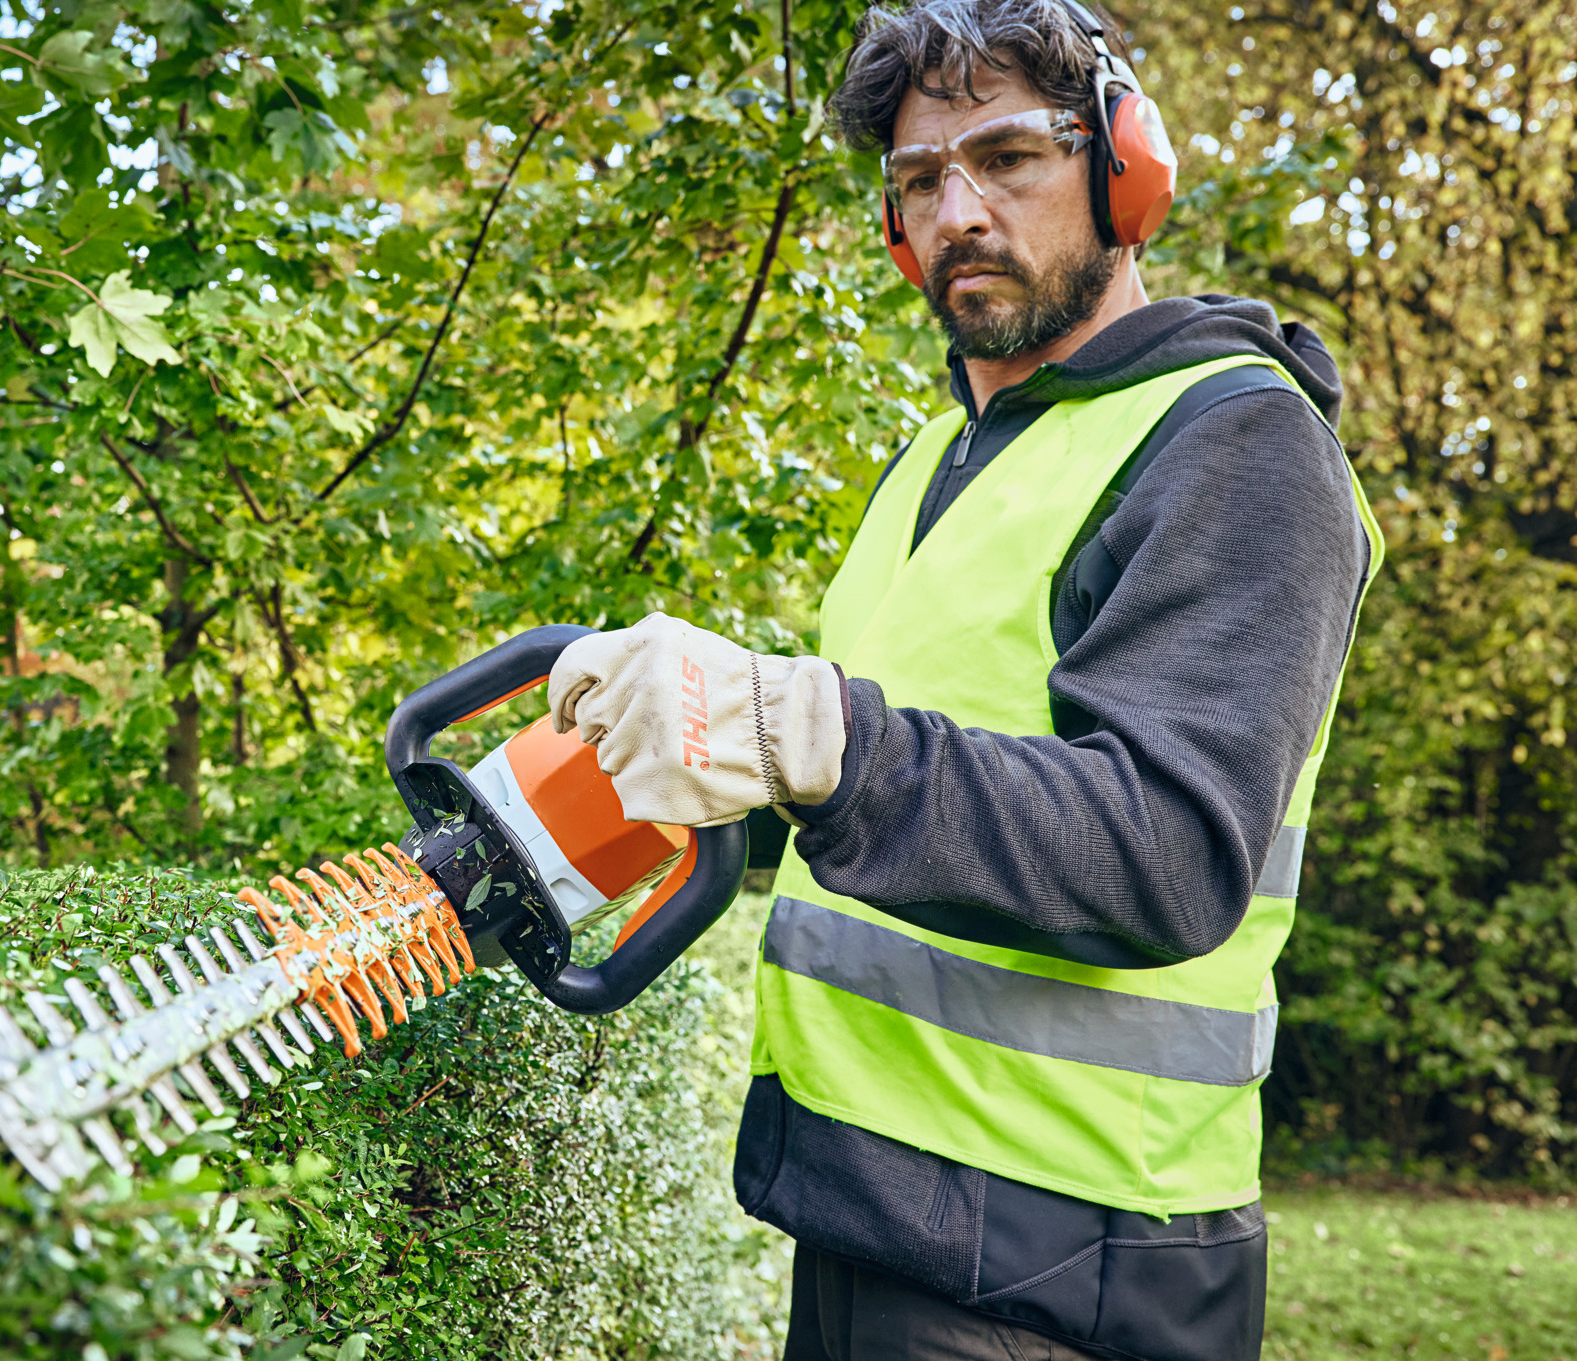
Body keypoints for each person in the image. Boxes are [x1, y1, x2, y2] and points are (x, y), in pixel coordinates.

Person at [543, 2, 1382, 1358]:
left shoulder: (1234, 446)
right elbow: (872, 790)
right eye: (922, 178)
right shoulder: (938, 462)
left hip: (1066, 1255)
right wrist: (645, 760)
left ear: (1124, 172)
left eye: (1007, 157)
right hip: (868, 1203)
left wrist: (814, 732)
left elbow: (1168, 851)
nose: (960, 211)